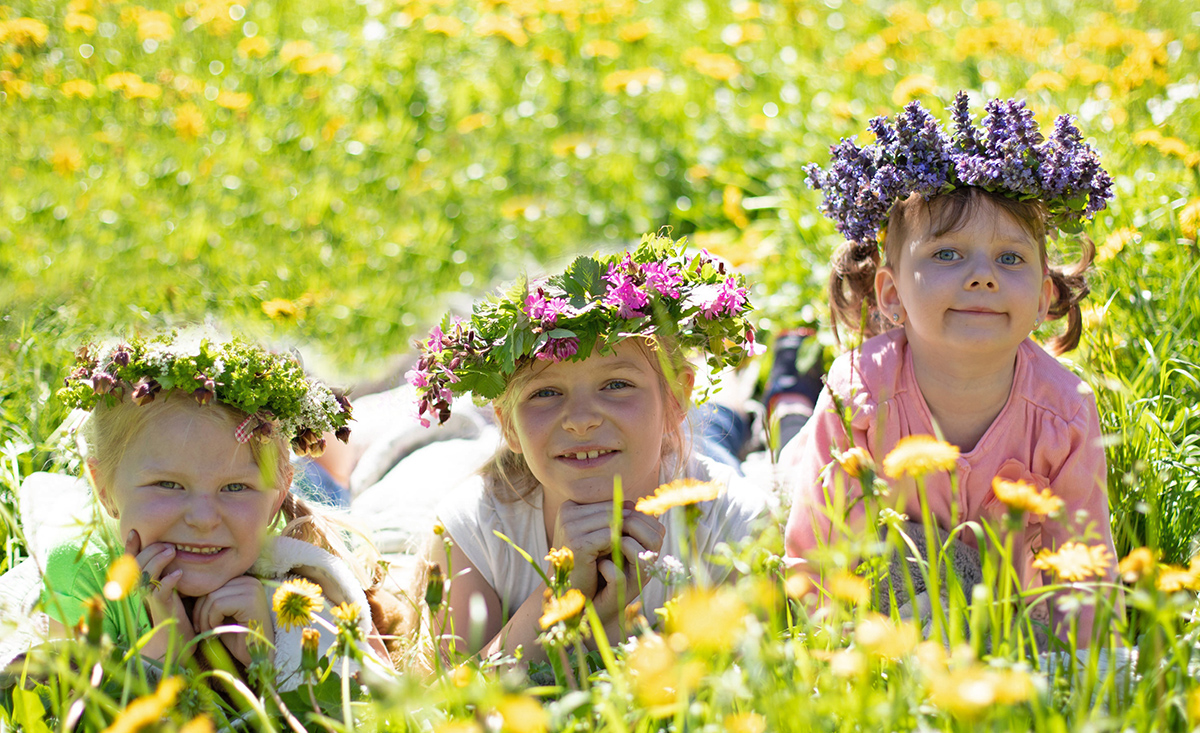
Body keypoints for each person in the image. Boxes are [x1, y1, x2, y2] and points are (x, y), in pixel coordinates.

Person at [785, 92, 1119, 644]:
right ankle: (782, 391)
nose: (983, 276)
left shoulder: (1065, 413)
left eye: (1010, 258)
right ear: (891, 293)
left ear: (1043, 298)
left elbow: (1086, 579)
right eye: (947, 254)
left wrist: (1083, 667)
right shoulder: (857, 395)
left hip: (992, 612)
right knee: (767, 475)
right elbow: (813, 557)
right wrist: (836, 650)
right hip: (881, 605)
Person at [415, 234, 770, 662]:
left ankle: (772, 392)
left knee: (725, 425)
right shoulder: (471, 528)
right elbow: (450, 698)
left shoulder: (734, 521)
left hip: (684, 449)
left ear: (677, 396)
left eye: (616, 384)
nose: (581, 419)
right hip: (631, 443)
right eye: (545, 392)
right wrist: (560, 598)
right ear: (507, 423)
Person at [41, 333, 401, 690]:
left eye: (234, 487)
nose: (203, 519)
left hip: (320, 484)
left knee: (367, 465)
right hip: (305, 475)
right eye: (168, 484)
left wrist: (266, 654)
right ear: (103, 487)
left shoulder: (299, 574)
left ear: (276, 497)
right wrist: (165, 656)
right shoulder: (82, 571)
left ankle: (378, 398)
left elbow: (364, 697)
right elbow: (74, 705)